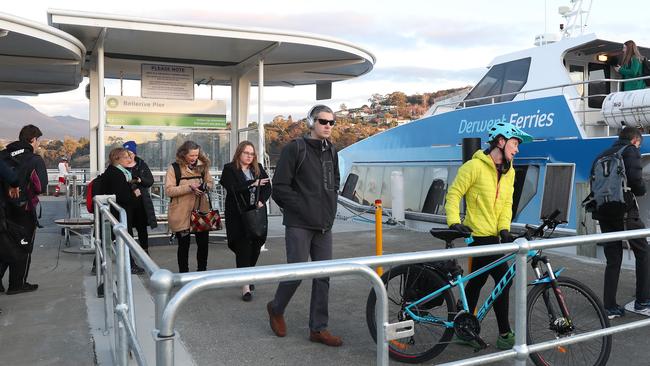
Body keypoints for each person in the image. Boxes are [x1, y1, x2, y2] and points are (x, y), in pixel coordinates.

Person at [444, 121, 533, 350]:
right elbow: (454, 194)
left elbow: (506, 204)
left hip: (494, 236)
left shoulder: (509, 171)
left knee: (477, 282)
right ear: (500, 142)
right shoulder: (473, 167)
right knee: (503, 279)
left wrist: (504, 228)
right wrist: (454, 221)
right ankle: (504, 333)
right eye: (514, 144)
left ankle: (463, 327)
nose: (517, 149)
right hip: (476, 234)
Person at [266, 105, 342, 347]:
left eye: (332, 122)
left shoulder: (332, 150)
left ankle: (318, 329)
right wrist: (302, 207)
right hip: (299, 222)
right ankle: (276, 308)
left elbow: (334, 182)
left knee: (323, 277)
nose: (328, 125)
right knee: (296, 273)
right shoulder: (294, 148)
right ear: (312, 122)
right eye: (323, 121)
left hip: (324, 224)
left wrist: (330, 209)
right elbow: (279, 187)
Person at [593, 127, 650, 318]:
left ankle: (609, 307)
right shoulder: (630, 151)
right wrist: (641, 190)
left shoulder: (603, 154)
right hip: (625, 212)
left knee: (613, 258)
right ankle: (643, 301)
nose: (639, 148)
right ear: (635, 140)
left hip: (604, 211)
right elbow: (635, 180)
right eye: (639, 144)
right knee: (644, 253)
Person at [220, 141, 271, 302]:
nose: (249, 156)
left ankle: (247, 274)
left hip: (256, 214)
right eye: (246, 153)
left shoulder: (258, 168)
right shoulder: (230, 169)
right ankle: (245, 286)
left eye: (252, 154)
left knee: (256, 244)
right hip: (237, 214)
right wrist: (252, 183)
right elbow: (232, 187)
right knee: (242, 246)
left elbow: (267, 187)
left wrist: (262, 200)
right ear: (239, 153)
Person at [0, 125, 48, 295]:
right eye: (38, 140)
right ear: (33, 139)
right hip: (23, 208)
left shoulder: (3, 155)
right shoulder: (34, 159)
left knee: (4, 244)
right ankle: (17, 284)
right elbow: (41, 186)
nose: (38, 144)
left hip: (3, 208)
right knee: (23, 245)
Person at [164, 141, 214, 273]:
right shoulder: (174, 168)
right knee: (183, 245)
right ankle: (184, 274)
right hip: (181, 213)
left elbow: (210, 182)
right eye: (191, 155)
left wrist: (205, 187)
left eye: (196, 155)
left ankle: (202, 271)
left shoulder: (202, 167)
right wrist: (189, 187)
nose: (194, 158)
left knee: (203, 244)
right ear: (183, 154)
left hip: (200, 210)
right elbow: (169, 191)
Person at [102, 147, 145, 274]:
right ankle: (130, 265)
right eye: (126, 157)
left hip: (117, 213)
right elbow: (122, 196)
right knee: (125, 238)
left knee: (110, 238)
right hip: (119, 213)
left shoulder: (118, 172)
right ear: (117, 159)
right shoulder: (118, 174)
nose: (129, 159)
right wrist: (135, 194)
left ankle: (98, 263)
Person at [122, 141, 158, 256]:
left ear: (135, 153)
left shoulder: (141, 164)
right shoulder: (120, 166)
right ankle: (130, 252)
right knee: (127, 227)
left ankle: (145, 250)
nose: (129, 156)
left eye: (131, 153)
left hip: (141, 202)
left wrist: (140, 180)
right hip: (127, 201)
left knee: (142, 227)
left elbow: (150, 181)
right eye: (126, 153)